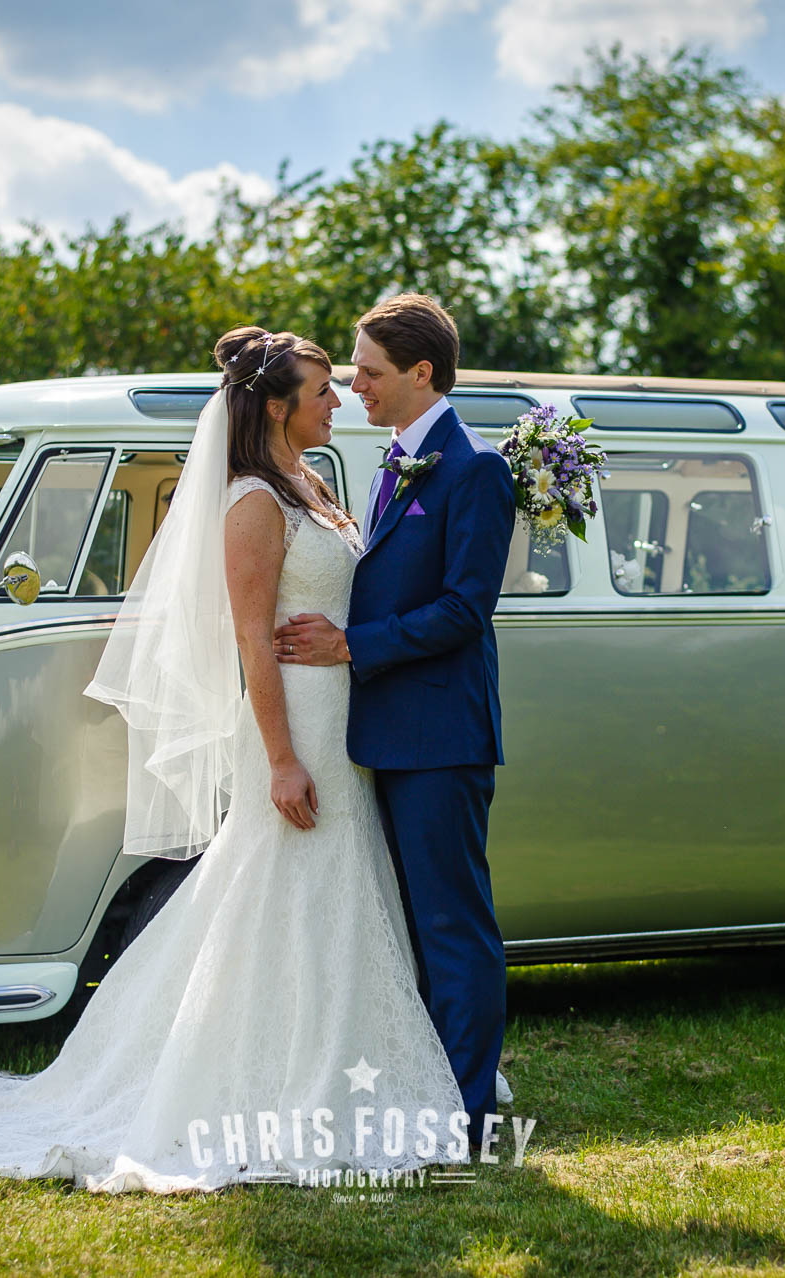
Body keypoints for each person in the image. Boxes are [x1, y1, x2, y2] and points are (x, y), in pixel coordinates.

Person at [0, 328, 470, 1192]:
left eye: (340, 386)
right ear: (274, 405)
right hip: (296, 729)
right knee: (285, 890)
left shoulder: (314, 483)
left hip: (341, 720)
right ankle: (283, 1079)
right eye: (322, 389)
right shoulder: (253, 500)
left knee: (326, 894)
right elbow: (253, 642)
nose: (338, 401)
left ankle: (333, 1063)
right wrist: (281, 759)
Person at [273, 294, 516, 1145]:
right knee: (410, 922)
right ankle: (431, 1089)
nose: (355, 387)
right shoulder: (392, 464)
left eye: (369, 373)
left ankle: (470, 1112)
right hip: (383, 733)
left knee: (453, 922)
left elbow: (463, 610)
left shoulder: (474, 468)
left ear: (422, 373)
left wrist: (351, 646)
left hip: (442, 736)